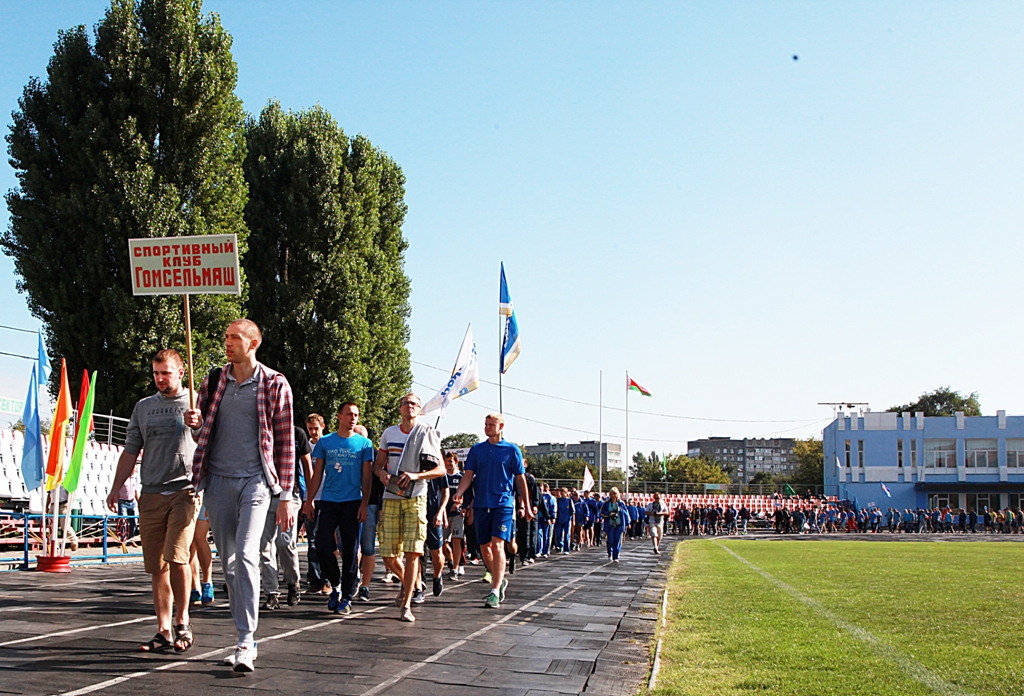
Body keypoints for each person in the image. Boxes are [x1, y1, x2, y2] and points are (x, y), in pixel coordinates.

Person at [185, 319, 295, 673]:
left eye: (235, 338)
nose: (227, 343)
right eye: (226, 337)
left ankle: (247, 640)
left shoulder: (275, 383)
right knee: (230, 565)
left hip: (256, 481)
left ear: (254, 343)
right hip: (217, 480)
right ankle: (241, 635)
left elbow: (285, 442)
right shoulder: (214, 380)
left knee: (248, 555)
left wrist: (286, 495)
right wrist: (194, 423)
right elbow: (202, 428)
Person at [107, 349, 200, 654]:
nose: (160, 379)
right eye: (156, 373)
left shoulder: (197, 402)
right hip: (150, 493)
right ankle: (163, 629)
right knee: (157, 566)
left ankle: (183, 621)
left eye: (166, 373)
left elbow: (214, 442)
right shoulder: (144, 407)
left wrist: (199, 425)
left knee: (177, 557)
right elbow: (131, 450)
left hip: (185, 491)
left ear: (181, 373)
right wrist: (115, 487)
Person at [371, 393, 445, 622]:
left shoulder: (427, 432)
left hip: (417, 496)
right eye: (407, 403)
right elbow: (377, 466)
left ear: (420, 410)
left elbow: (440, 470)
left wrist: (416, 475)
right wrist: (382, 473)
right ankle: (410, 583)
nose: (410, 406)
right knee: (389, 555)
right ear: (400, 408)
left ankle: (407, 604)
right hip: (392, 496)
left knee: (413, 551)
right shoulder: (389, 433)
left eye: (415, 404)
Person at [453, 413, 533, 609]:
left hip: (503, 504)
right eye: (485, 424)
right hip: (481, 504)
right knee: (484, 548)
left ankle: (495, 590)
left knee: (498, 545)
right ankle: (500, 577)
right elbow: (468, 475)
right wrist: (459, 492)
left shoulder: (511, 450)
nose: (487, 427)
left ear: (501, 426)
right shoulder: (477, 450)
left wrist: (527, 505)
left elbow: (520, 480)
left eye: (491, 425)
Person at [302, 402, 373, 615]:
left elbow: (367, 477)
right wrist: (309, 500)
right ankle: (335, 585)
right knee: (323, 545)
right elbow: (317, 474)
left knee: (351, 551)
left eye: (357, 415)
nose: (353, 418)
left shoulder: (364, 444)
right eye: (349, 414)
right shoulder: (325, 442)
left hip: (353, 502)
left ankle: (348, 596)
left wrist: (364, 504)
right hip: (329, 501)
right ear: (339, 416)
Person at [260, 424, 312, 609]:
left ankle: (292, 582)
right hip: (265, 494)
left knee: (284, 543)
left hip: (290, 494)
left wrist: (309, 497)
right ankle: (271, 592)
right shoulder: (262, 430)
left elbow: (307, 465)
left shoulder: (297, 433)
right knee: (264, 545)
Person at [355, 423, 382, 601]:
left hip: (371, 504)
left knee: (368, 546)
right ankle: (354, 575)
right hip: (348, 502)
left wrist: (380, 507)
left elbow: (380, 481)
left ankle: (365, 585)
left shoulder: (376, 454)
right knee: (345, 546)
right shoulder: (347, 451)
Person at [303, 414, 328, 594]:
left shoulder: (328, 445)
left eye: (316, 429)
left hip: (326, 498)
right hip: (309, 498)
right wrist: (307, 500)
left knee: (324, 541)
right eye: (310, 429)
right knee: (311, 541)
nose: (313, 432)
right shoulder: (305, 447)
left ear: (323, 427)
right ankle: (315, 579)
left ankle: (327, 579)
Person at [442, 451, 466, 581]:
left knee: (457, 541)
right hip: (444, 514)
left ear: (456, 462)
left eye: (450, 461)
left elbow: (466, 494)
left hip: (457, 514)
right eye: (446, 461)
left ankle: (456, 569)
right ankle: (451, 561)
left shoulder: (461, 477)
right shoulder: (442, 476)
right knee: (442, 543)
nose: (448, 464)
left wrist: (461, 504)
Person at [189, 504, 214, 606]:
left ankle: (207, 583)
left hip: (205, 497)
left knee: (199, 537)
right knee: (190, 542)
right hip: (186, 496)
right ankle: (195, 587)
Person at [600, 487, 630, 562]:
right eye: (612, 494)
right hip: (610, 525)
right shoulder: (606, 504)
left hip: (619, 524)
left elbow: (626, 513)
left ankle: (615, 556)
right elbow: (601, 513)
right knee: (610, 540)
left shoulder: (621, 503)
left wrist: (628, 522)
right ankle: (609, 552)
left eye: (615, 494)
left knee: (617, 540)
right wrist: (609, 514)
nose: (613, 495)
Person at [554, 488, 575, 553]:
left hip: (567, 520)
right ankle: (560, 545)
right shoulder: (558, 500)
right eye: (561, 492)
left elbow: (573, 512)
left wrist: (573, 521)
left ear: (566, 493)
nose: (562, 493)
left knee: (567, 535)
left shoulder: (569, 501)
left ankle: (566, 549)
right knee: (558, 534)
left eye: (563, 492)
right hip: (559, 520)